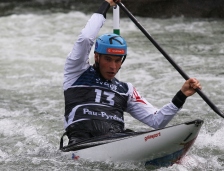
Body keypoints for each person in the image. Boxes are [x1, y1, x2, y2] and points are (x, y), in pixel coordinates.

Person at [63, 0, 202, 145]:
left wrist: (181, 96)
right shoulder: (76, 73)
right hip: (82, 143)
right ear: (97, 57)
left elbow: (157, 121)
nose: (113, 66)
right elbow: (85, 38)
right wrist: (105, 5)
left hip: (117, 140)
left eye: (117, 61)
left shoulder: (126, 90)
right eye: (108, 59)